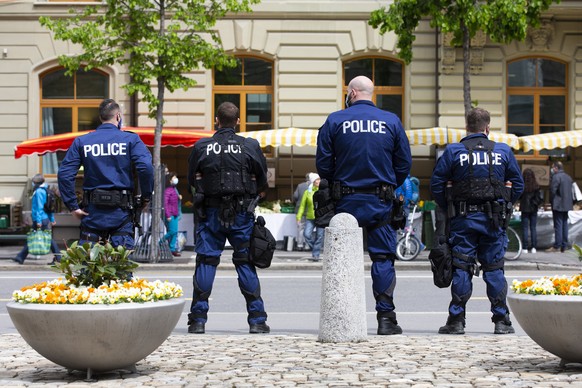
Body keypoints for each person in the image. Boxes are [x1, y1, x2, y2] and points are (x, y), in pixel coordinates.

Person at [316, 75, 412, 335]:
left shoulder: (335, 120)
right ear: (372, 93)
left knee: (343, 258)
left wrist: (339, 180)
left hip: (345, 199)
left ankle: (343, 316)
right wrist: (388, 182)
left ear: (352, 92)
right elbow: (403, 163)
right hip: (380, 200)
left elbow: (323, 164)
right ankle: (386, 318)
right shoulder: (391, 121)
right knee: (383, 258)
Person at [430, 107, 524, 335]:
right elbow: (518, 184)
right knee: (494, 268)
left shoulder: (453, 151)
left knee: (462, 266)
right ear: (487, 127)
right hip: (494, 220)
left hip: (463, 218)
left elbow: (436, 185)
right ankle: (501, 321)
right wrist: (505, 205)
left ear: (467, 127)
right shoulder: (502, 151)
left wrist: (449, 207)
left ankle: (456, 321)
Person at [187, 101, 270, 335]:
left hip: (211, 213)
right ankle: (257, 320)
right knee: (245, 262)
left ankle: (198, 320)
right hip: (242, 213)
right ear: (238, 122)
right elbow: (262, 179)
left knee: (206, 262)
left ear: (216, 120)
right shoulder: (249, 146)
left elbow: (192, 180)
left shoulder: (202, 146)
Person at [57, 98, 154, 249]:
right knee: (120, 266)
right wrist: (146, 196)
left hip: (93, 212)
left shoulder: (82, 141)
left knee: (88, 264)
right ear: (118, 116)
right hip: (121, 211)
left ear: (101, 117)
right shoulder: (130, 139)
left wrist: (72, 206)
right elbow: (146, 167)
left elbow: (64, 174)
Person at [14, 174, 62, 265]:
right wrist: (51, 219)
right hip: (44, 218)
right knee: (35, 236)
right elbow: (49, 207)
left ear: (36, 182)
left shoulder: (39, 192)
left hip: (40, 219)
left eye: (33, 182)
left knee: (43, 238)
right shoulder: (46, 190)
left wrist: (39, 221)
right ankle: (20, 257)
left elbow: (40, 208)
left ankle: (58, 257)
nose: (32, 183)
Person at [546, 161, 573, 253]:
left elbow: (552, 191)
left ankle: (557, 245)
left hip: (558, 204)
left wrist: (550, 201)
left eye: (553, 167)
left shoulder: (556, 177)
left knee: (558, 225)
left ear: (556, 168)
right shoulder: (568, 177)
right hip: (567, 204)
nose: (552, 169)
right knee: (564, 224)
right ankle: (564, 245)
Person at [296, 173, 324, 261]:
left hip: (320, 217)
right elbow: (302, 206)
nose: (319, 181)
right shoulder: (307, 192)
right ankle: (316, 248)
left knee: (320, 236)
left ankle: (316, 254)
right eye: (317, 180)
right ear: (313, 181)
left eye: (319, 179)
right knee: (306, 234)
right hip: (310, 217)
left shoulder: (322, 191)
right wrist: (298, 217)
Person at [519, 169, 543, 254]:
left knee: (525, 228)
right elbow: (540, 198)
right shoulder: (536, 186)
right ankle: (533, 247)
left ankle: (525, 247)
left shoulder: (522, 186)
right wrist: (535, 203)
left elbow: (519, 197)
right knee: (533, 228)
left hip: (524, 208)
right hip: (533, 209)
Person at [163, 172, 182, 257]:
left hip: (175, 214)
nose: (175, 179)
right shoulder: (168, 191)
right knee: (172, 231)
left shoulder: (174, 189)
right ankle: (159, 243)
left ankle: (172, 249)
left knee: (175, 233)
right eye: (174, 178)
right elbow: (165, 204)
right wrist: (167, 215)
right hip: (170, 214)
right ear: (170, 180)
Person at [293, 173, 311, 251]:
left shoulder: (300, 186)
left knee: (300, 228)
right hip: (309, 211)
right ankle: (307, 246)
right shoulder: (313, 186)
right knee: (308, 229)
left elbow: (295, 196)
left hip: (300, 210)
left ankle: (299, 245)